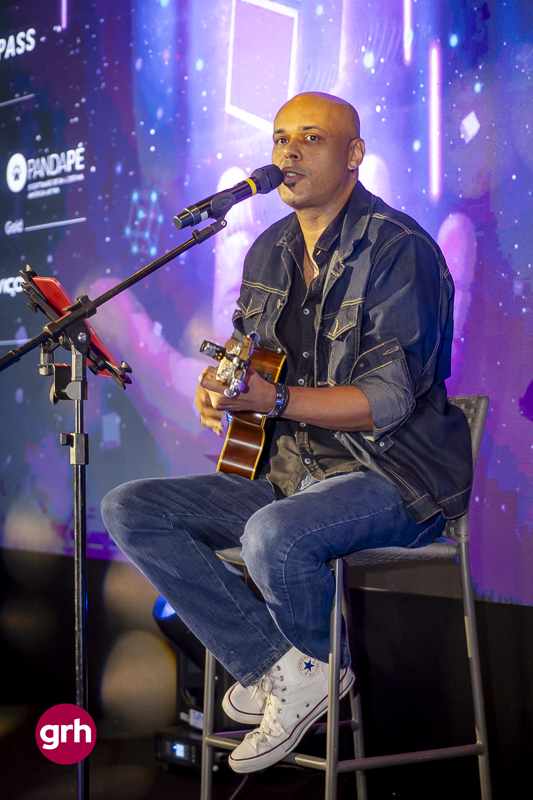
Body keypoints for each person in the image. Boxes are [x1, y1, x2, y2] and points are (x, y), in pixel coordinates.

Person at [101, 92, 472, 774]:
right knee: (130, 508)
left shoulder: (400, 250)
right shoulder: (268, 250)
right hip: (289, 473)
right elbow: (248, 358)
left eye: (310, 137)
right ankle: (280, 666)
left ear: (354, 155)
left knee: (272, 534)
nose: (288, 152)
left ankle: (306, 671)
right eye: (279, 138)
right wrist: (220, 387)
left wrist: (273, 401)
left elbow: (388, 399)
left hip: (395, 477)